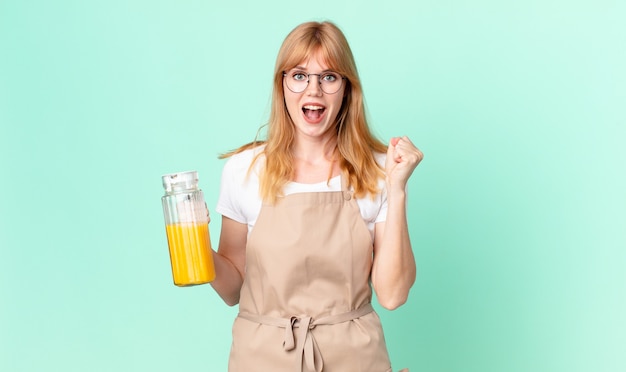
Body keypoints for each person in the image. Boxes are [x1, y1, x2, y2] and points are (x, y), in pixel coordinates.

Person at [210, 20, 423, 372]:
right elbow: (233, 289)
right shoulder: (244, 169)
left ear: (346, 89)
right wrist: (197, 249)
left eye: (328, 77)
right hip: (262, 358)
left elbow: (393, 295)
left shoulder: (379, 169)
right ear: (282, 85)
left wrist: (397, 190)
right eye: (298, 75)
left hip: (355, 359)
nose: (313, 91)